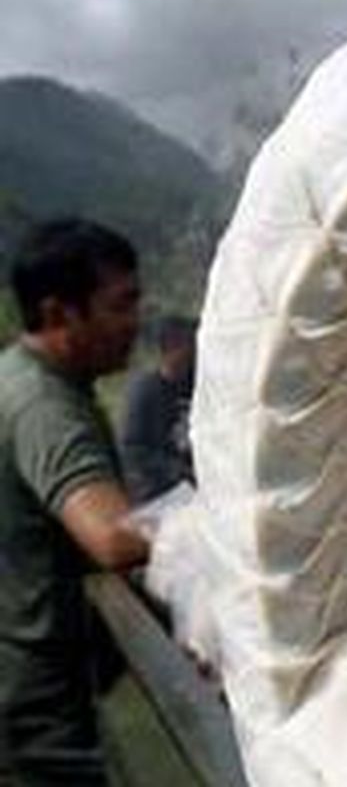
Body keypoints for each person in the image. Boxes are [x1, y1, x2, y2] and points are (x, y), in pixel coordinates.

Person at [0, 218, 150, 785]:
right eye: (120, 305)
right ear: (59, 313)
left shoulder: (23, 379)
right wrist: (223, 520)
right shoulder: (43, 406)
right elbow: (112, 536)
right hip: (34, 711)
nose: (136, 321)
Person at [120, 316, 197, 503]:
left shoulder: (194, 385)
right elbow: (133, 450)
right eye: (188, 346)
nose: (194, 353)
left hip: (193, 486)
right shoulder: (146, 391)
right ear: (170, 349)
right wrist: (175, 470)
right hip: (158, 492)